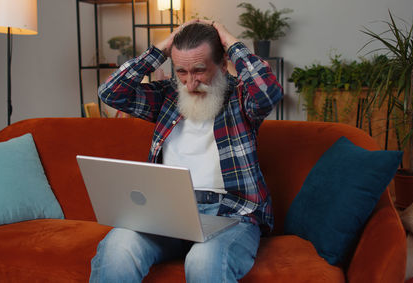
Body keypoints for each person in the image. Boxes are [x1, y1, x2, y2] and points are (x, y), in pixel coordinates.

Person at [90, 20, 283, 283]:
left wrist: (230, 41)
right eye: (181, 71)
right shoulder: (167, 96)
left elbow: (267, 92)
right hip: (167, 213)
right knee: (119, 246)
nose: (190, 83)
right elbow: (111, 91)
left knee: (202, 261)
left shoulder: (241, 98)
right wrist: (163, 48)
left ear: (223, 62)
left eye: (200, 70)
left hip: (229, 214)